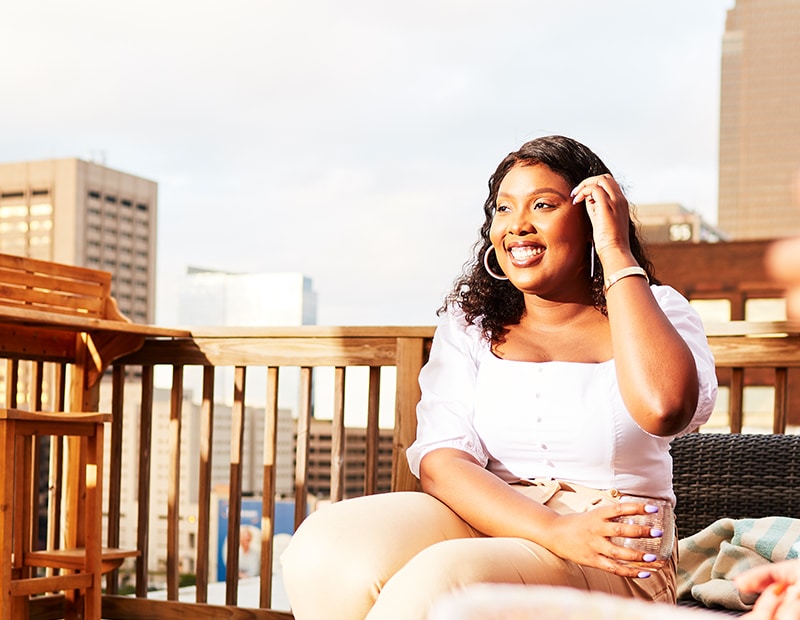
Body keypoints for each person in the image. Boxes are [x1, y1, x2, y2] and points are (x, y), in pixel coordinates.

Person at [281, 135, 718, 620]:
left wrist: (615, 251)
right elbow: (441, 462)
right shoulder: (471, 324)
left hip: (615, 544)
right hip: (496, 518)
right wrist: (553, 529)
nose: (518, 226)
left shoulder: (657, 310)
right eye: (503, 208)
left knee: (441, 584)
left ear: (592, 217)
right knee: (326, 547)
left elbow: (665, 408)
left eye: (543, 205)